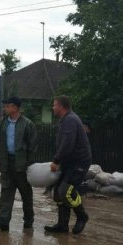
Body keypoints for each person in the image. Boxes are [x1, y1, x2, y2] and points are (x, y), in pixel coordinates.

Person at [0, 96, 37, 232]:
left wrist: (29, 164)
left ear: (15, 108)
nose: (5, 108)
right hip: (6, 163)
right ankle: (3, 222)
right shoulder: (2, 123)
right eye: (5, 106)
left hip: (22, 165)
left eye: (7, 106)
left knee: (26, 195)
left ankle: (28, 221)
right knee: (6, 193)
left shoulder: (27, 124)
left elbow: (32, 146)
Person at [45, 95, 91, 235]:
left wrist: (56, 161)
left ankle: (82, 216)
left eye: (54, 105)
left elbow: (67, 144)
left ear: (61, 106)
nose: (52, 108)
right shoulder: (65, 120)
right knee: (58, 193)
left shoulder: (70, 120)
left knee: (66, 191)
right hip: (69, 162)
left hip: (78, 163)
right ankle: (62, 225)